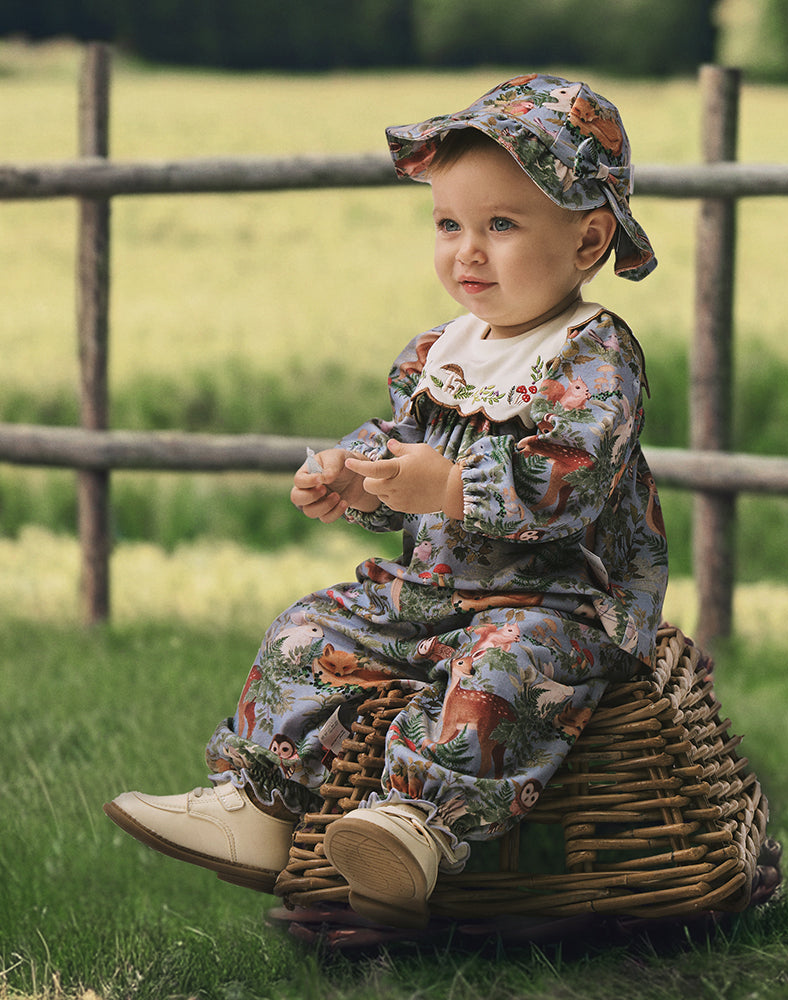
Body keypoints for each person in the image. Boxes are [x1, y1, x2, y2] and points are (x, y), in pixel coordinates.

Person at [105, 73, 668, 929]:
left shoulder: (594, 357)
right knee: (311, 626)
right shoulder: (441, 350)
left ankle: (416, 822)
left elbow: (570, 478)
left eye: (501, 226)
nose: (466, 252)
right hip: (437, 591)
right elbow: (401, 445)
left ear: (589, 241)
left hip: (562, 600)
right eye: (449, 225)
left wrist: (447, 486)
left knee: (504, 670)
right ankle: (257, 803)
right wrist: (354, 472)